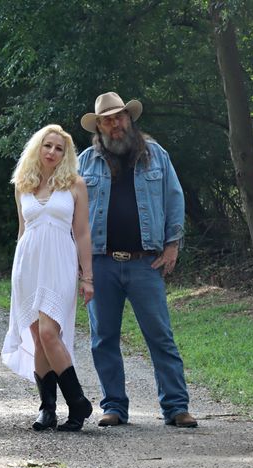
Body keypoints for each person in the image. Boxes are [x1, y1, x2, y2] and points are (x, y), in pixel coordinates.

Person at [78, 92, 198, 428]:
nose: (115, 124)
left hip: (145, 262)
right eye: (107, 120)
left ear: (129, 119)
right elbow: (73, 215)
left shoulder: (156, 155)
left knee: (160, 335)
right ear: (99, 127)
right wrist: (80, 264)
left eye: (119, 117)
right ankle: (114, 406)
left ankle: (176, 407)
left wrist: (172, 245)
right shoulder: (85, 162)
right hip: (100, 263)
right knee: (103, 338)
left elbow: (174, 199)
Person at [2, 124, 94, 432]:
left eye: (59, 148)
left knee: (49, 333)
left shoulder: (75, 184)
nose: (52, 152)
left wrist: (87, 277)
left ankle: (77, 402)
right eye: (48, 145)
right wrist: (16, 273)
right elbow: (22, 231)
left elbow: (82, 233)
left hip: (59, 263)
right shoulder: (23, 184)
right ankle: (47, 408)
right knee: (37, 337)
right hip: (28, 265)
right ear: (37, 148)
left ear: (66, 154)